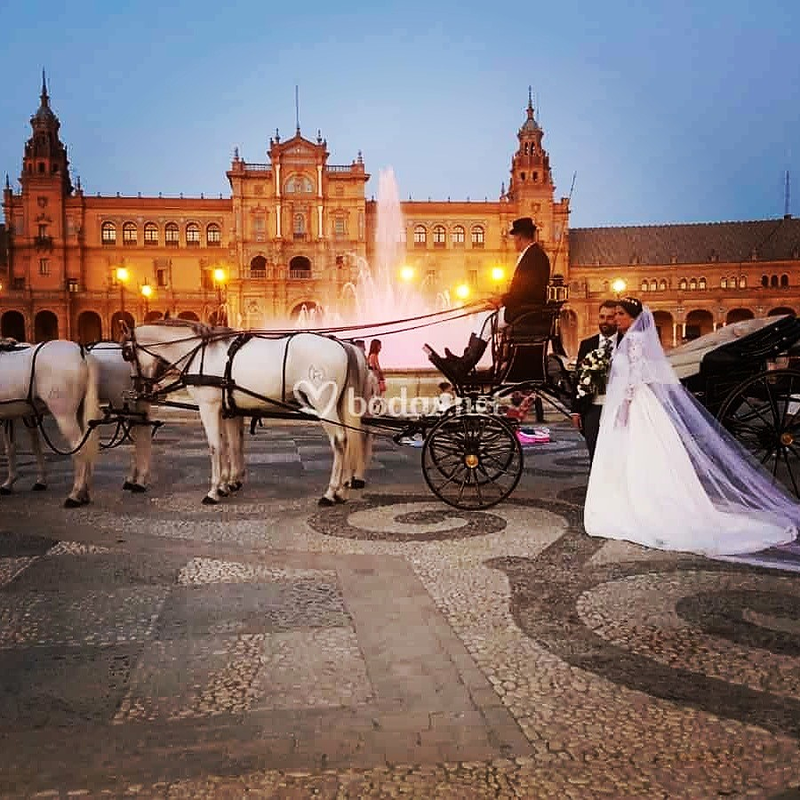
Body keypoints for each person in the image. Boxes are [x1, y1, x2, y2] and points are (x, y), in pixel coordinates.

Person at [584, 296, 799, 556]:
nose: (615, 319)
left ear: (632, 316)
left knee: (637, 455)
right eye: (613, 314)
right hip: (642, 404)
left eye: (619, 314)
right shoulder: (633, 339)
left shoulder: (634, 342)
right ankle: (640, 499)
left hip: (635, 405)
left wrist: (624, 410)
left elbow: (633, 380)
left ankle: (639, 505)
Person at [426, 217, 551, 383]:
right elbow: (523, 290)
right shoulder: (534, 255)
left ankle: (465, 365)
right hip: (523, 309)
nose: (514, 242)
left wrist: (501, 300)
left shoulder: (534, 257)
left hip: (525, 312)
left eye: (514, 239)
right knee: (482, 317)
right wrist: (500, 300)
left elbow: (525, 290)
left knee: (485, 320)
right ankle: (465, 360)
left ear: (520, 237)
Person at [571, 300, 620, 463]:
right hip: (591, 407)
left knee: (617, 452)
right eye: (602, 317)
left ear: (617, 319)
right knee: (594, 452)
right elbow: (578, 378)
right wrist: (576, 410)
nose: (605, 321)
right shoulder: (587, 344)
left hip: (618, 408)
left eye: (610, 317)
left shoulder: (626, 343)